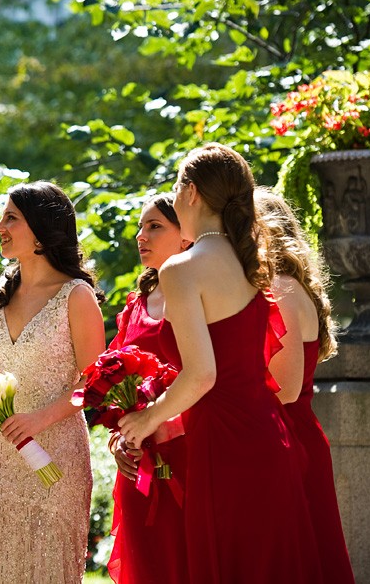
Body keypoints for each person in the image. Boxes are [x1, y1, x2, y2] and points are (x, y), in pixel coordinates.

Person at [118, 143, 322, 583]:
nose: (174, 199)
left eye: (175, 190)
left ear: (191, 193)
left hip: (224, 444)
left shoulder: (182, 269)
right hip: (271, 436)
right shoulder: (253, 263)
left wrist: (146, 419)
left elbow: (202, 374)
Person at [0, 181, 106, 584]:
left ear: (40, 229)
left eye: (11, 218)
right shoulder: (2, 295)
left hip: (58, 454)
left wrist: (40, 418)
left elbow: (96, 381)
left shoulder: (76, 296)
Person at [255, 188, 355, 583]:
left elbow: (285, 387)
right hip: (290, 436)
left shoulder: (280, 288)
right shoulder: (283, 285)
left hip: (289, 439)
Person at [107, 193, 191, 584]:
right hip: (137, 459)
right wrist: (118, 438)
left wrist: (163, 422)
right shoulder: (135, 303)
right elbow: (107, 378)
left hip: (190, 455)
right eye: (141, 226)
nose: (142, 235)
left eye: (155, 226)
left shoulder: (200, 294)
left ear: (186, 234)